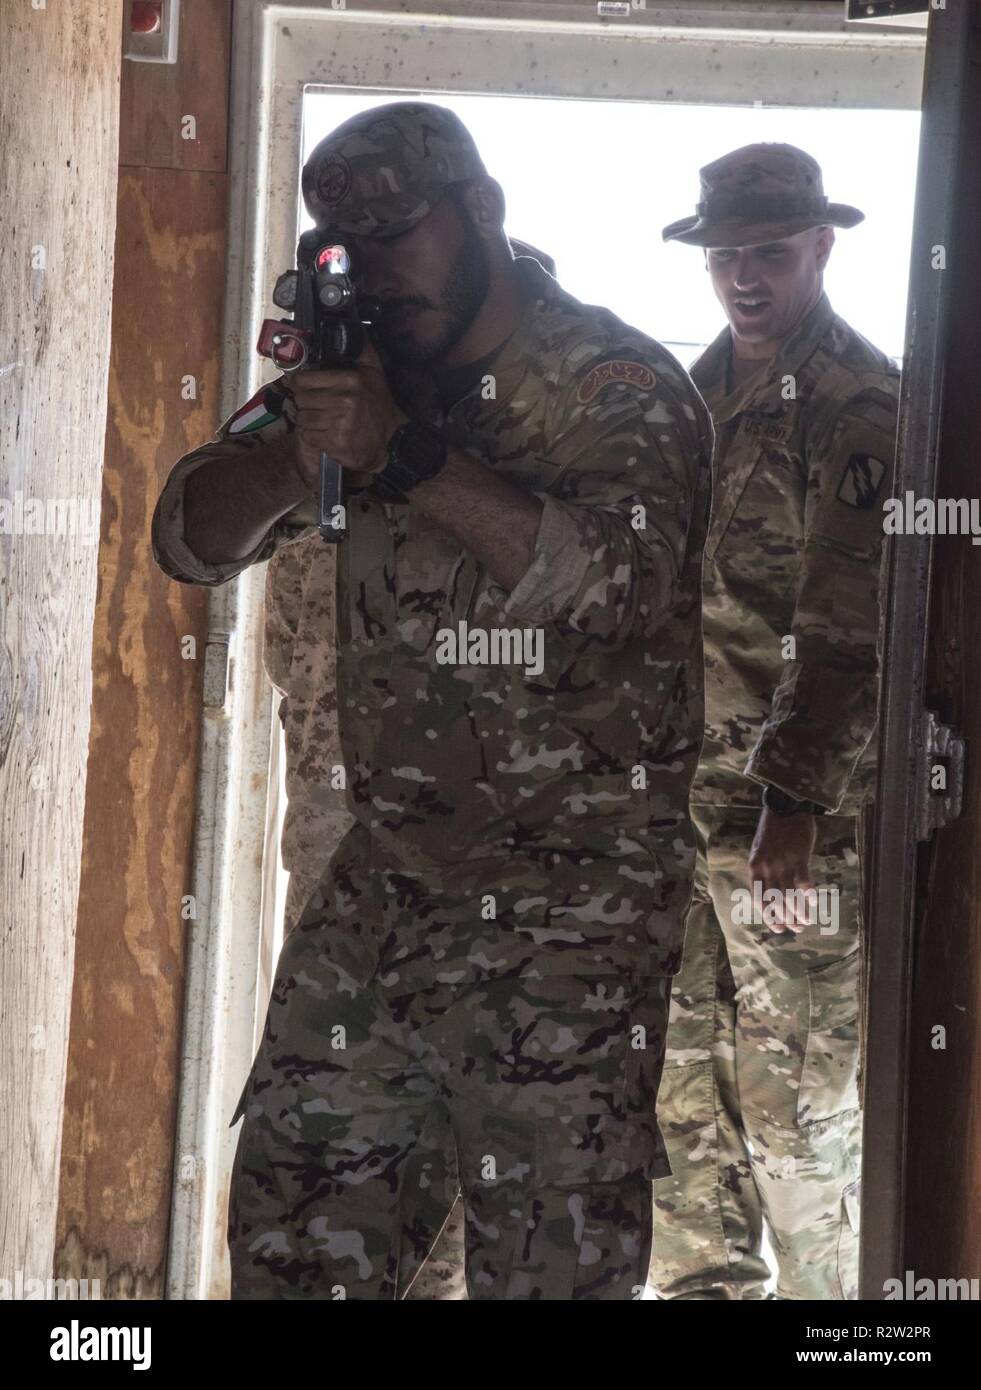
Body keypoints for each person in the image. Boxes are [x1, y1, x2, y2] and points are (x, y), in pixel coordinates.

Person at [151, 100, 713, 1300]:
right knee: (296, 1230)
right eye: (344, 244)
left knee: (548, 1265)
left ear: (483, 213)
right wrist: (293, 461)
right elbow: (188, 540)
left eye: (399, 234)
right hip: (391, 883)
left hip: (579, 908)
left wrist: (409, 456)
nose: (376, 269)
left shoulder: (612, 382)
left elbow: (626, 583)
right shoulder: (353, 377)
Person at [649, 143, 899, 1300]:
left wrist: (791, 804)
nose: (745, 278)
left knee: (797, 1099)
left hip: (791, 820)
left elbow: (847, 626)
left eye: (770, 254)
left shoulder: (858, 407)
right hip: (676, 809)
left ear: (822, 247)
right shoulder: (693, 402)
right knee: (680, 1090)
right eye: (727, 256)